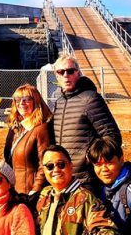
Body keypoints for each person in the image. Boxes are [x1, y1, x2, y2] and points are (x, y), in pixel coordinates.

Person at [51, 53, 121, 185]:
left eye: (70, 71)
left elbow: (111, 136)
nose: (66, 75)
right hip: (64, 176)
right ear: (57, 76)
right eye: (61, 72)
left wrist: (90, 158)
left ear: (78, 73)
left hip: (86, 178)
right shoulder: (58, 102)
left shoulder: (90, 99)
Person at [3, 85, 53, 196]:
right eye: (18, 100)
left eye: (27, 99)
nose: (21, 103)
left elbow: (44, 164)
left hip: (30, 193)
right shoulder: (15, 130)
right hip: (14, 191)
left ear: (36, 101)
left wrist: (35, 190)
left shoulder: (41, 129)